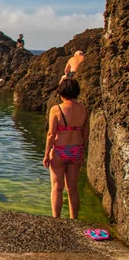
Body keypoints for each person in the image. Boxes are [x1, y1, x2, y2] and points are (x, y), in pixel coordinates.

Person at [42, 78, 89, 219]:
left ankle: (56, 220)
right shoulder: (84, 109)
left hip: (59, 150)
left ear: (61, 91)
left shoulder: (56, 109)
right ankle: (73, 219)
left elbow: (51, 133)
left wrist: (46, 154)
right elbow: (86, 133)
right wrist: (82, 151)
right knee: (72, 188)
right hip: (76, 149)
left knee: (57, 187)